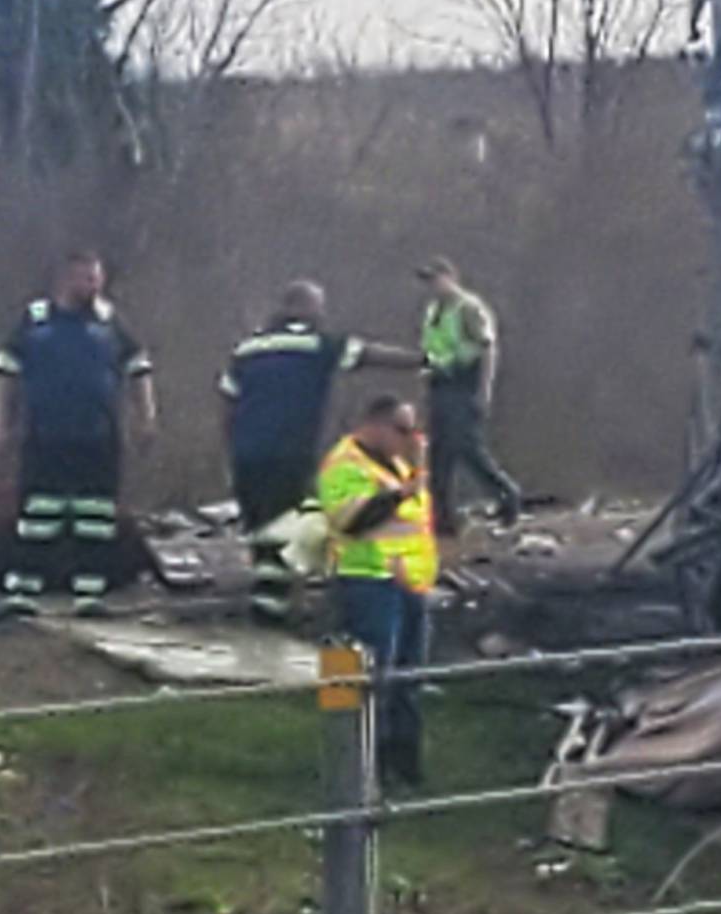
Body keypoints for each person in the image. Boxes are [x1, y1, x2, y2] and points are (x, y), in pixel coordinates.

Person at [219, 280, 419, 624]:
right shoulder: (318, 344)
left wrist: (230, 447)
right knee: (291, 532)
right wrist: (426, 360)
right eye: (317, 306)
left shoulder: (247, 349)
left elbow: (226, 401)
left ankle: (268, 603)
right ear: (304, 308)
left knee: (263, 533)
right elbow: (371, 355)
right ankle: (271, 615)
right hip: (289, 452)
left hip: (246, 454)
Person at [0, 250, 157, 614]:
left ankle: (89, 595)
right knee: (38, 516)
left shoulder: (110, 321)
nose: (94, 285)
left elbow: (139, 369)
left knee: (95, 518)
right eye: (87, 278)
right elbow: (6, 373)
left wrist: (145, 419)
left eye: (98, 278)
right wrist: (3, 425)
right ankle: (23, 595)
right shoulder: (35, 321)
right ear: (65, 279)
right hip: (45, 436)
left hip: (98, 438)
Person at [319, 394, 438, 787]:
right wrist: (402, 494)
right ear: (374, 425)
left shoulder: (400, 466)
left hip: (406, 584)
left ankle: (403, 765)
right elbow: (352, 521)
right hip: (366, 583)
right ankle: (360, 772)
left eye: (413, 431)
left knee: (408, 679)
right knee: (370, 683)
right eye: (402, 430)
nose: (410, 439)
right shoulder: (345, 465)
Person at [417, 256, 521, 539]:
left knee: (467, 447)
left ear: (451, 276)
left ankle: (507, 497)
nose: (433, 286)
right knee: (439, 455)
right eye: (428, 281)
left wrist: (483, 391)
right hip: (439, 383)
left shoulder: (468, 308)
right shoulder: (433, 311)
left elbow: (488, 349)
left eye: (436, 278)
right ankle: (443, 519)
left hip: (464, 382)